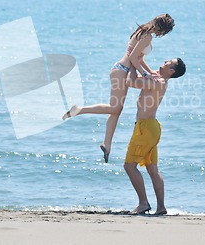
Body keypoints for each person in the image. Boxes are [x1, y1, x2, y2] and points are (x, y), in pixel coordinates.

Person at [62, 14, 175, 163]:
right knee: (115, 108)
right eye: (163, 32)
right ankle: (78, 110)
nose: (161, 35)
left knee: (116, 110)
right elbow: (134, 58)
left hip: (121, 69)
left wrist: (150, 72)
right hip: (122, 70)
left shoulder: (142, 31)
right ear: (162, 29)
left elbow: (139, 58)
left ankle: (107, 144)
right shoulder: (147, 36)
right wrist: (145, 74)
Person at [124, 58, 186, 215]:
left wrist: (132, 62)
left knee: (129, 166)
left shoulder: (158, 82)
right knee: (152, 169)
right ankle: (161, 207)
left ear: (171, 71)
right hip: (152, 127)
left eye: (168, 62)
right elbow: (140, 78)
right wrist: (139, 62)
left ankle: (143, 203)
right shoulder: (159, 80)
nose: (164, 61)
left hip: (145, 128)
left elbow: (130, 82)